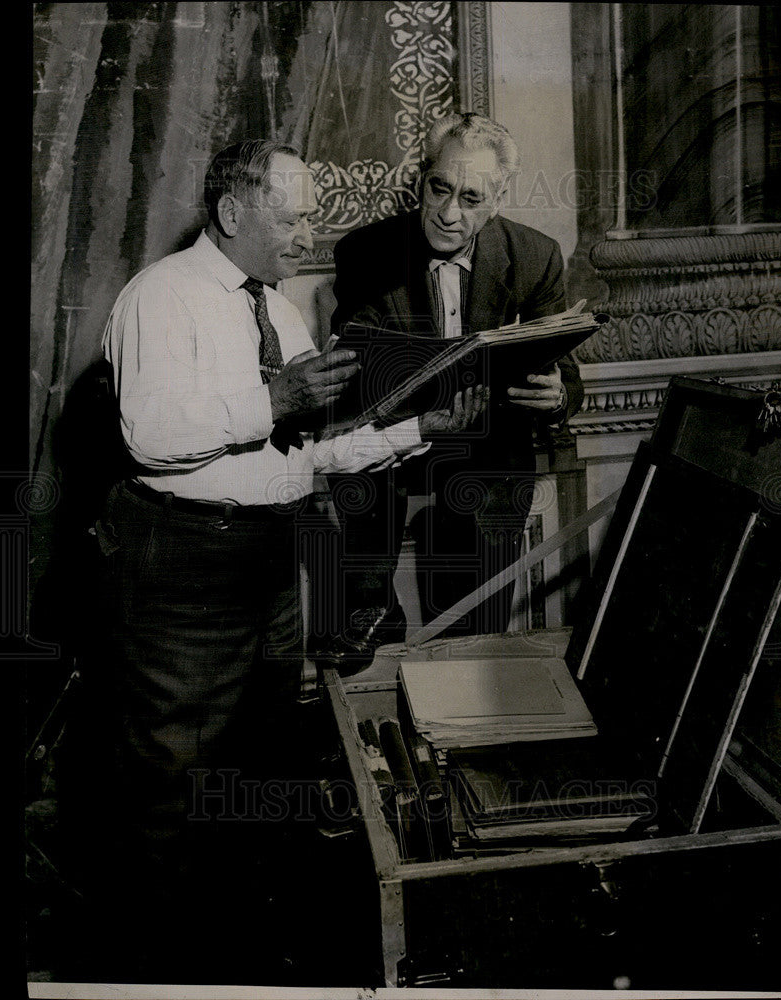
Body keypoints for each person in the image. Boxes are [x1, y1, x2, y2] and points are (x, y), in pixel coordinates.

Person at [64, 139, 487, 983]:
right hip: (181, 569)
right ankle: (153, 971)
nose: (306, 233)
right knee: (170, 792)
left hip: (267, 560)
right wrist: (276, 398)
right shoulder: (162, 297)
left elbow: (306, 456)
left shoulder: (282, 311)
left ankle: (239, 961)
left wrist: (416, 432)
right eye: (291, 217)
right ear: (231, 214)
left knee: (258, 772)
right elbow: (149, 436)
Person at [320, 113, 584, 665]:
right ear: (421, 178)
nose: (448, 213)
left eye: (470, 198)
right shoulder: (366, 253)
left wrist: (556, 395)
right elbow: (360, 371)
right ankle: (372, 625)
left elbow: (565, 369)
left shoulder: (535, 257)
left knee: (473, 633)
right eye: (439, 188)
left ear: (498, 197)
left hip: (486, 455)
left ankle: (471, 661)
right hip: (396, 446)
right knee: (362, 484)